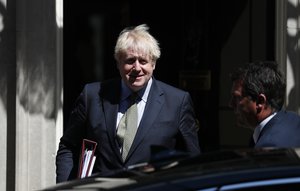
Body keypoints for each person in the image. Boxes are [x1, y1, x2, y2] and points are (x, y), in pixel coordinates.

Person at [56, 24, 201, 183]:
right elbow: (68, 147)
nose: (137, 68)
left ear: (153, 63)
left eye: (143, 61)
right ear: (118, 63)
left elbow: (192, 160)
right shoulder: (92, 96)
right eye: (130, 61)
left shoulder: (177, 102)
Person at [229, 60, 300, 148]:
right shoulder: (293, 119)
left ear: (260, 101)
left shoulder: (268, 147)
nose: (231, 104)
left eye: (237, 98)